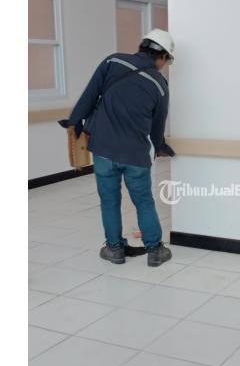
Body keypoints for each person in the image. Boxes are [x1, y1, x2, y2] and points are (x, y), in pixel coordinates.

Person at [59, 29, 176, 267]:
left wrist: (74, 121)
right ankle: (155, 250)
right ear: (163, 56)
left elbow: (90, 94)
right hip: (135, 154)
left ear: (142, 45)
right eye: (167, 61)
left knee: (109, 200)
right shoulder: (160, 84)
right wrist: (160, 146)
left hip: (103, 149)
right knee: (143, 201)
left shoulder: (113, 61)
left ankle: (114, 249)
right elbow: (158, 124)